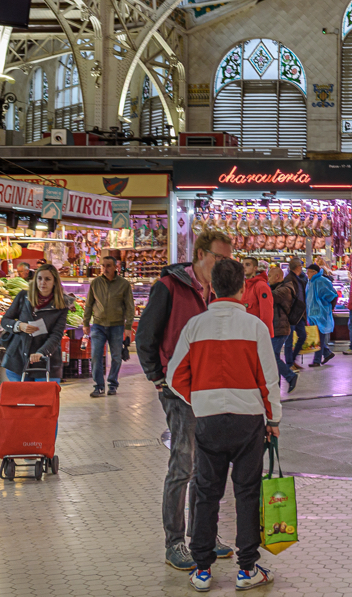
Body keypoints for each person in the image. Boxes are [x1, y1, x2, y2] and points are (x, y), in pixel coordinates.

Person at [166, 257, 280, 592]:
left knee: (206, 492)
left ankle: (202, 570)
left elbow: (174, 376)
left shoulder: (195, 327)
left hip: (208, 421)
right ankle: (247, 570)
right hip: (248, 423)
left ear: (211, 287)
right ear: (243, 287)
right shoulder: (255, 328)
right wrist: (273, 420)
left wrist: (200, 398)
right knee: (247, 492)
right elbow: (269, 381)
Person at [136, 228, 236, 571]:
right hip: (178, 390)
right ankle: (174, 543)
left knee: (208, 466)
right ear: (200, 254)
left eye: (228, 259)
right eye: (219, 258)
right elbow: (146, 332)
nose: (224, 264)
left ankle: (203, 535)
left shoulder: (218, 293)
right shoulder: (169, 287)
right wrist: (157, 376)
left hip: (211, 390)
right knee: (183, 465)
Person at [0, 262, 70, 384]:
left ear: (54, 282)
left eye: (47, 279)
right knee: (22, 402)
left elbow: (56, 335)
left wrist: (41, 352)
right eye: (40, 278)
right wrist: (19, 326)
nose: (43, 282)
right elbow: (5, 321)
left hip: (46, 361)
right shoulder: (23, 297)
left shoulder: (62, 304)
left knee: (43, 401)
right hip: (18, 359)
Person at [83, 255, 135, 398]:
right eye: (103, 266)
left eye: (108, 266)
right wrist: (86, 323)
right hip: (98, 325)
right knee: (96, 356)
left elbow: (130, 307)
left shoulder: (124, 284)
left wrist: (128, 326)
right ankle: (99, 386)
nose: (105, 269)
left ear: (115, 267)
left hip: (116, 326)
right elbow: (88, 304)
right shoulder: (95, 283)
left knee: (116, 357)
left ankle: (112, 383)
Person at [269, 266, 300, 393]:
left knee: (272, 356)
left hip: (280, 328)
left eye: (269, 276)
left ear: (277, 277)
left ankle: (290, 376)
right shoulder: (281, 288)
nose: (267, 278)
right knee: (273, 356)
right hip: (276, 327)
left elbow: (270, 297)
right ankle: (277, 384)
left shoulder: (284, 290)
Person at [304, 263, 338, 367]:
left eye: (309, 272)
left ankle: (317, 360)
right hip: (312, 314)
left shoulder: (322, 281)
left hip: (321, 314)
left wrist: (329, 308)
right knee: (317, 337)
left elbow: (333, 295)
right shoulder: (310, 282)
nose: (307, 274)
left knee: (319, 337)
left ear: (314, 272)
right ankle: (327, 353)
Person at [282, 259, 308, 369]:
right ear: (297, 267)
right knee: (289, 340)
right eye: (301, 266)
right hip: (292, 313)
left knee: (302, 336)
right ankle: (289, 363)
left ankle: (292, 359)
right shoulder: (289, 279)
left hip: (299, 314)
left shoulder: (298, 279)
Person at [241, 257, 274, 337]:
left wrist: (263, 335)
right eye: (243, 265)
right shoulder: (243, 285)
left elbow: (266, 314)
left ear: (255, 268)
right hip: (245, 333)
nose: (244, 267)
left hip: (256, 334)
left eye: (248, 265)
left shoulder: (261, 286)